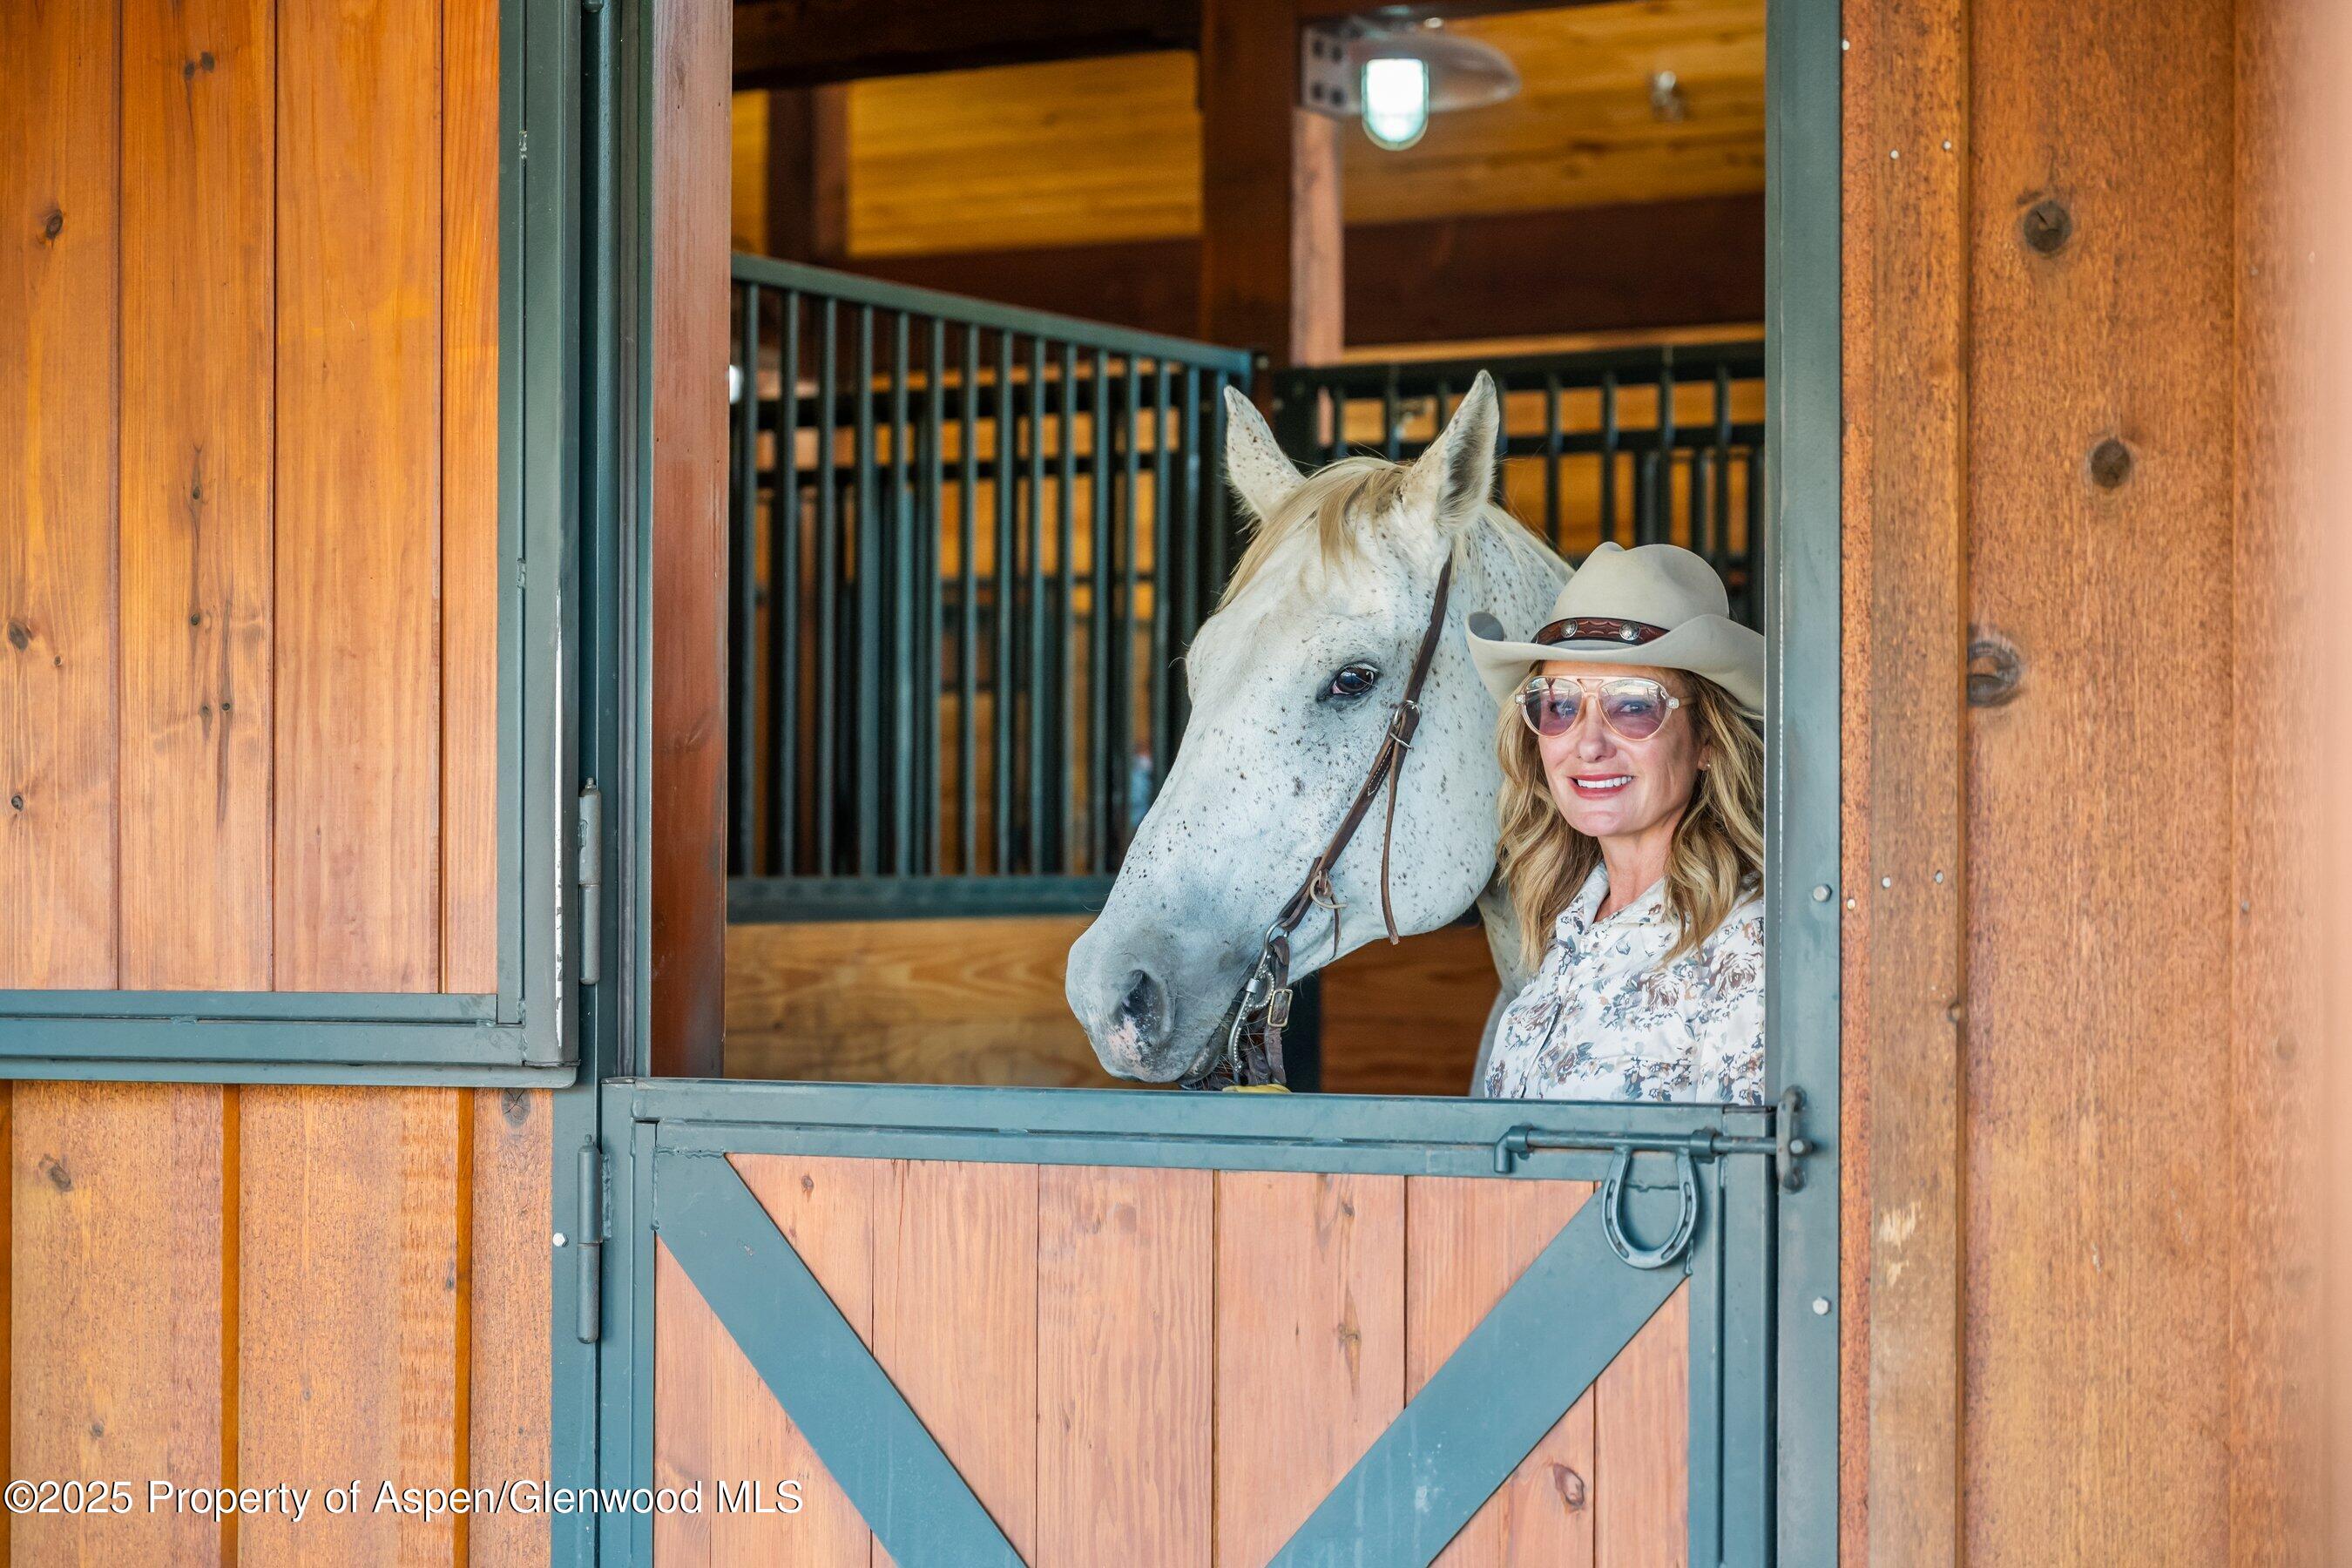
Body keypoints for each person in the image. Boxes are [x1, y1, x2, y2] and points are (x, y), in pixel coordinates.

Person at [1462, 543, 1767, 1104]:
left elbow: (1749, 1184)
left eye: (1633, 705)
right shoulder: (1564, 930)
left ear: (1706, 739)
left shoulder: (1747, 948)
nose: (1590, 744)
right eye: (1559, 704)